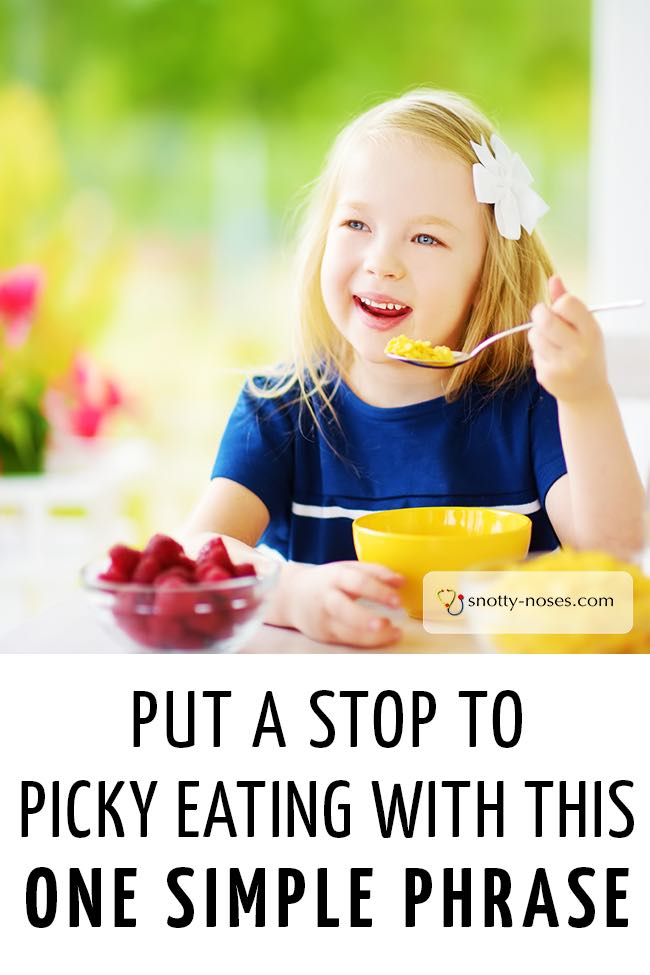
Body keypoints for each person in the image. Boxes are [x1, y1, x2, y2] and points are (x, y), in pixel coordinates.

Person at [183, 88, 645, 648]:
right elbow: (197, 553)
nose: (382, 262)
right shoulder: (279, 409)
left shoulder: (532, 401)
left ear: (487, 276)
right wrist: (291, 594)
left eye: (426, 237)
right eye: (356, 225)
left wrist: (585, 395)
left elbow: (612, 556)